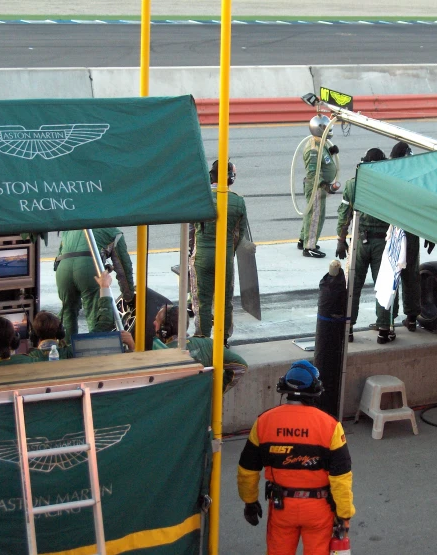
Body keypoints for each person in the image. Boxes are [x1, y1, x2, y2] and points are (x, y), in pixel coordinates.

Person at [237, 360, 355, 554]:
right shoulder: (331, 426)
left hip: (282, 508)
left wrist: (249, 501)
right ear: (315, 389)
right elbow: (341, 477)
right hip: (319, 509)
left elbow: (247, 469)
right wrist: (344, 515)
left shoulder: (264, 422)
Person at [336, 147, 397, 344]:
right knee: (385, 287)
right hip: (383, 243)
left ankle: (348, 330)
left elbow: (344, 215)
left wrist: (340, 239)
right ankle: (384, 330)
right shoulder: (390, 185)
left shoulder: (352, 185)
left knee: (352, 287)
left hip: (358, 243)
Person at [190, 159, 248, 345]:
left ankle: (202, 339)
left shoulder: (200, 198)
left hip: (201, 256)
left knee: (202, 302)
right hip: (224, 256)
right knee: (225, 301)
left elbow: (191, 231)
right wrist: (229, 251)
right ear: (229, 178)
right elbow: (240, 235)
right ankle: (222, 340)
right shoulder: (238, 201)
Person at [30, 272, 135, 360]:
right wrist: (104, 287)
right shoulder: (74, 352)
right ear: (60, 332)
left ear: (33, 335)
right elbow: (104, 324)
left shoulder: (28, 359)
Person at [55, 228, 135, 338]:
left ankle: (65, 349)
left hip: (63, 271)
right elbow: (124, 268)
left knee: (68, 314)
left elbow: (57, 261)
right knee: (95, 316)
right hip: (88, 268)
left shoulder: (70, 228)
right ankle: (94, 348)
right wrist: (128, 296)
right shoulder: (114, 232)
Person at [152, 304, 247, 392]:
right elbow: (240, 366)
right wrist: (212, 392)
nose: (154, 323)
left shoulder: (160, 354)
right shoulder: (208, 343)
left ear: (165, 329)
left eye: (157, 321)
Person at [389, 141, 428, 332]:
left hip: (393, 233)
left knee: (391, 276)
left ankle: (387, 322)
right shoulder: (417, 177)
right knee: (411, 276)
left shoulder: (387, 175)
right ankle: (412, 318)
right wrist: (429, 233)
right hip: (411, 233)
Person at [299, 115, 339, 259]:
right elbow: (312, 173)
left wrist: (331, 152)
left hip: (319, 188)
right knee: (316, 216)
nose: (329, 130)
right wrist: (324, 186)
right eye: (326, 127)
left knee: (311, 214)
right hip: (316, 188)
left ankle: (303, 239)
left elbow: (323, 161)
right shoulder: (314, 149)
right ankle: (309, 247)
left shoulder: (320, 143)